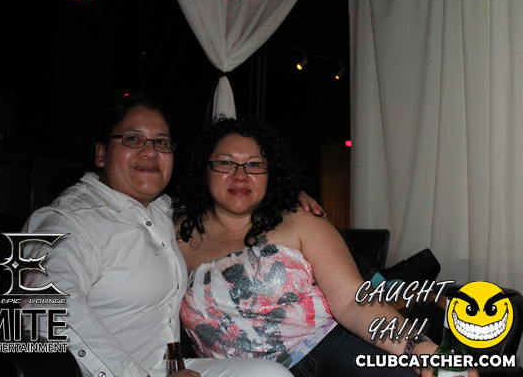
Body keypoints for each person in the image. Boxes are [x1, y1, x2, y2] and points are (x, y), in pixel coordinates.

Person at [20, 92, 319, 377]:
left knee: (270, 374)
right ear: (101, 153)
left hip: (168, 367)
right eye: (133, 139)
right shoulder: (67, 220)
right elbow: (44, 307)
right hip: (110, 371)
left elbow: (226, 204)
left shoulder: (161, 210)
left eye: (161, 142)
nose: (149, 152)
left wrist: (286, 198)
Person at [173, 117, 469, 377]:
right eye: (226, 163)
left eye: (254, 164)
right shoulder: (171, 234)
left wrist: (418, 347)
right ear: (205, 169)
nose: (240, 175)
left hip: (333, 350)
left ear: (269, 173)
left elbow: (352, 300)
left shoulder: (301, 221)